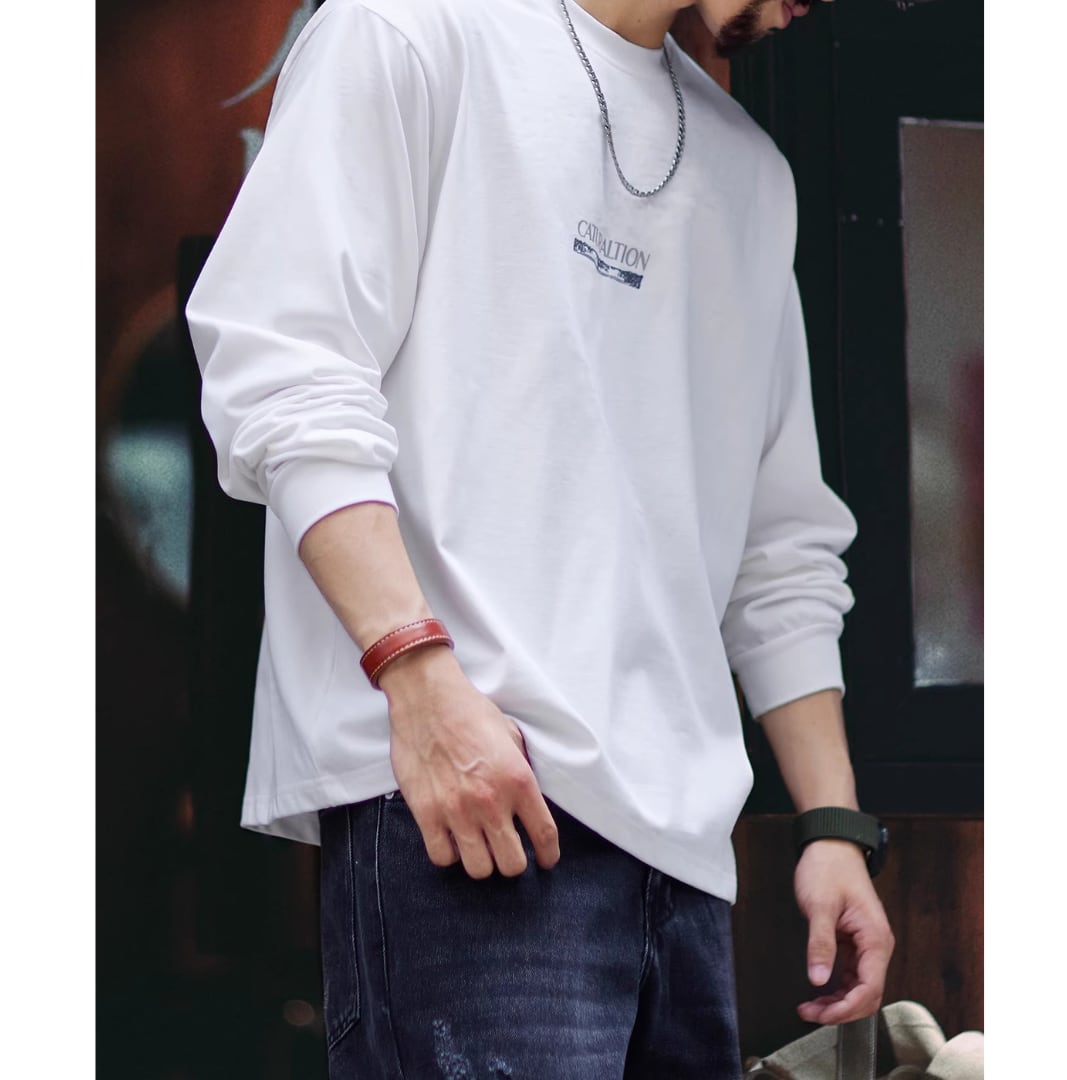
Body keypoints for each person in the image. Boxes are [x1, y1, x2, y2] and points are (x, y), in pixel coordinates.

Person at [187, 0, 895, 1076]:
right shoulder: (411, 31)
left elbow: (778, 536)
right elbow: (285, 372)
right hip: (467, 810)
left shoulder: (751, 174)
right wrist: (419, 682)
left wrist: (832, 823)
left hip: (684, 865)